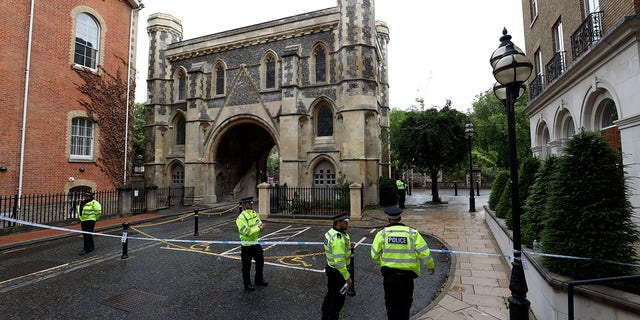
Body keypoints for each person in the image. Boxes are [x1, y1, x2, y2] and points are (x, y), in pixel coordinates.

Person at [371, 207, 435, 320]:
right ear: (400, 218)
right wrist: (430, 266)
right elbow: (425, 252)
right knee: (405, 307)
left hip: (389, 277)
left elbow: (374, 254)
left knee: (391, 306)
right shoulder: (412, 233)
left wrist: (384, 263)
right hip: (407, 278)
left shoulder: (382, 234)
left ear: (388, 219)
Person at [321, 212, 355, 320]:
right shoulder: (338, 238)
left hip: (331, 269)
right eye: (345, 222)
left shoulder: (330, 233)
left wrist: (348, 248)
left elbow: (335, 250)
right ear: (339, 223)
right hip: (338, 273)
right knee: (338, 299)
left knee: (331, 294)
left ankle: (325, 315)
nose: (347, 224)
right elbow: (340, 262)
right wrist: (347, 277)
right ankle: (332, 316)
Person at [235, 197, 267, 291]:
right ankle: (247, 284)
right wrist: (258, 229)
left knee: (260, 262)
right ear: (245, 205)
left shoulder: (254, 214)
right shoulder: (241, 217)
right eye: (250, 203)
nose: (252, 204)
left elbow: (259, 223)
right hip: (246, 245)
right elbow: (245, 231)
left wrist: (261, 226)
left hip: (255, 243)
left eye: (252, 203)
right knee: (246, 266)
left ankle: (259, 280)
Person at [77, 191, 102, 255]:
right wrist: (80, 218)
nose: (86, 197)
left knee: (87, 235)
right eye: (85, 196)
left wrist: (95, 218)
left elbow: (98, 212)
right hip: (83, 220)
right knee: (87, 234)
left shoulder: (94, 203)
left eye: (88, 196)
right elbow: (80, 210)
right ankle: (91, 246)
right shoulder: (83, 202)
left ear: (91, 197)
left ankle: (86, 249)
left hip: (91, 220)